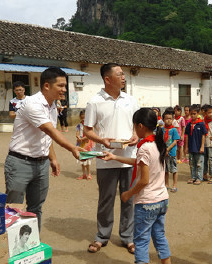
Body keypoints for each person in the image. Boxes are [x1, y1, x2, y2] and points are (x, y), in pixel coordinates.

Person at [5, 67, 83, 231]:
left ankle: (33, 242)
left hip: (41, 164)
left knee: (36, 208)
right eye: (60, 86)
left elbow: (46, 137)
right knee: (13, 208)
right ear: (47, 85)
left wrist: (52, 158)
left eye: (64, 86)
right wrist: (72, 148)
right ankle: (13, 250)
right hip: (20, 162)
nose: (64, 90)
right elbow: (50, 131)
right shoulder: (32, 104)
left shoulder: (52, 106)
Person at [102, 108, 171, 264]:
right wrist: (115, 157)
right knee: (159, 236)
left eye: (134, 126)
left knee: (141, 241)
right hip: (161, 199)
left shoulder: (145, 147)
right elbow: (140, 164)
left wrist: (129, 193)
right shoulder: (157, 143)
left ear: (140, 126)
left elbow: (144, 180)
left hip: (147, 202)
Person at [83, 63, 139, 254]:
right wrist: (101, 140)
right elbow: (87, 130)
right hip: (106, 158)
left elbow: (136, 125)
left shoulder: (131, 100)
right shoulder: (94, 102)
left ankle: (128, 237)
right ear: (108, 79)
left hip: (129, 157)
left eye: (124, 74)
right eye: (120, 74)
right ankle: (102, 236)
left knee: (128, 199)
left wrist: (135, 136)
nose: (124, 77)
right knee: (106, 199)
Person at [184, 105, 207, 185]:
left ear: (198, 113)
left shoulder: (201, 124)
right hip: (191, 147)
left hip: (198, 148)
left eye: (194, 114)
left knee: (199, 164)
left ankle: (199, 178)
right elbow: (186, 136)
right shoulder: (189, 124)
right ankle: (193, 177)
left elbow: (204, 135)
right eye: (191, 114)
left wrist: (202, 146)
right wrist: (186, 147)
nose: (193, 115)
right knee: (191, 164)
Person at [162, 110, 180, 193]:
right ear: (163, 119)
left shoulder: (174, 130)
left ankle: (174, 185)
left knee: (174, 170)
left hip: (171, 153)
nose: (168, 120)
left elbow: (175, 141)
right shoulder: (162, 129)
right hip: (164, 153)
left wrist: (168, 149)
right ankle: (166, 184)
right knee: (165, 170)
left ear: (173, 119)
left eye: (170, 118)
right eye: (166, 118)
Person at [76, 110, 94, 180]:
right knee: (81, 159)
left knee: (87, 160)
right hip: (80, 144)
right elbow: (77, 132)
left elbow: (90, 134)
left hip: (87, 144)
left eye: (84, 118)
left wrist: (83, 138)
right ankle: (83, 174)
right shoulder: (79, 125)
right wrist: (77, 137)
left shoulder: (89, 126)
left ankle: (88, 173)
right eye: (82, 118)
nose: (83, 119)